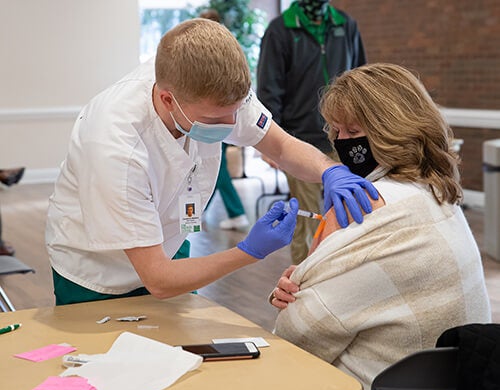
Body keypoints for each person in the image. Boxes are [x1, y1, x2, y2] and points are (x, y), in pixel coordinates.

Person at [46, 18, 377, 306]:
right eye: (215, 118)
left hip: (169, 246)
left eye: (235, 113)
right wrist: (248, 251)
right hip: (98, 273)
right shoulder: (115, 144)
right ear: (166, 99)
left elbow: (279, 145)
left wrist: (329, 170)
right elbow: (159, 280)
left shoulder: (218, 92)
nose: (231, 125)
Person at [269, 63, 491, 390]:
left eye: (354, 133)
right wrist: (312, 279)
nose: (342, 144)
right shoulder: (436, 194)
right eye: (336, 132)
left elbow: (294, 338)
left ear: (394, 129)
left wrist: (301, 287)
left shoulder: (371, 208)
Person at [257, 0, 366, 264]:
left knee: (351, 212)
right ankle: (304, 279)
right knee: (306, 218)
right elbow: (269, 89)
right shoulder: (280, 29)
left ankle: (346, 270)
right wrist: (270, 144)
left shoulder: (345, 24)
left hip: (346, 139)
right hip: (299, 141)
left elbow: (363, 78)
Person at [199, 8, 250, 230]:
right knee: (215, 168)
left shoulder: (217, 54)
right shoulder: (230, 50)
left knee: (217, 169)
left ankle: (236, 212)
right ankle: (199, 212)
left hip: (216, 119)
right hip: (219, 117)